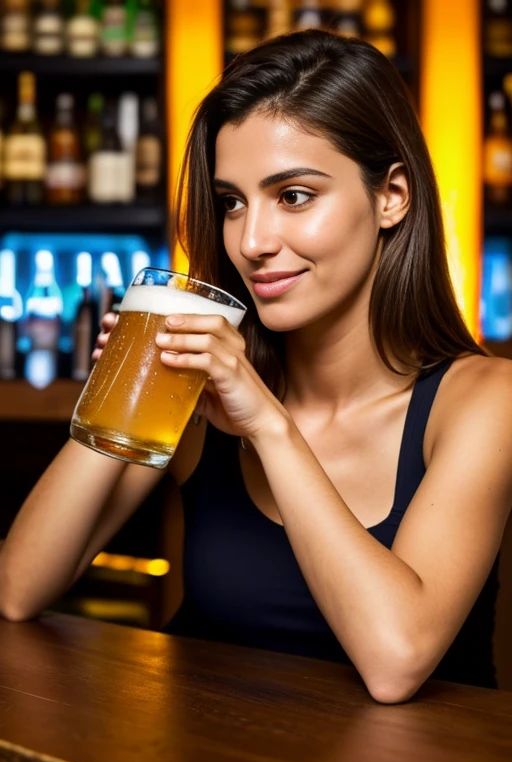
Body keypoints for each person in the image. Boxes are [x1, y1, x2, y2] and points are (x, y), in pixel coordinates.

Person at [1, 30, 511, 704]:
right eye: (232, 201)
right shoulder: (200, 394)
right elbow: (19, 588)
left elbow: (397, 660)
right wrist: (122, 389)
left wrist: (269, 427)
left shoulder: (484, 401)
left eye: (294, 196)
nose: (251, 241)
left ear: (391, 196)